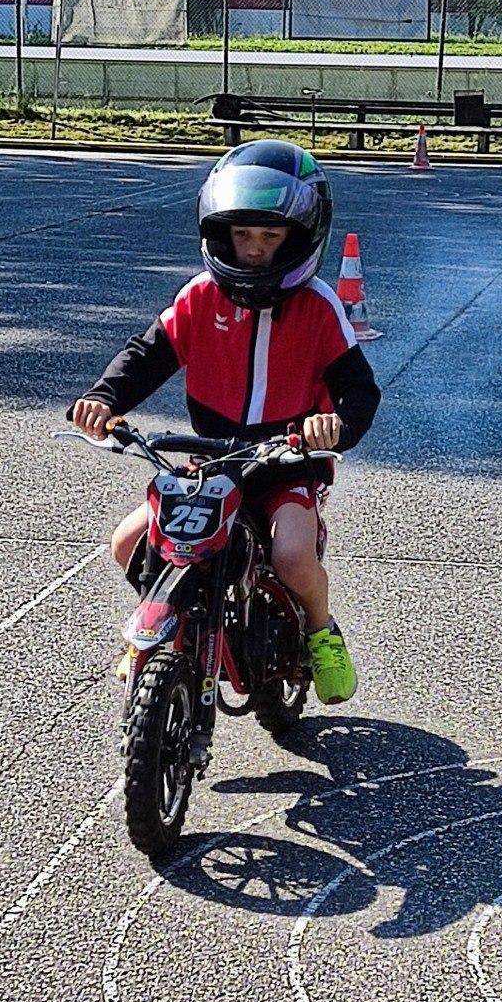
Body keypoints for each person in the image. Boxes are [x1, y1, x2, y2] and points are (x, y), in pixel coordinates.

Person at [69, 140, 381, 706]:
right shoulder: (199, 297)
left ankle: (319, 632)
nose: (256, 250)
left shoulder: (318, 305)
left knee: (290, 555)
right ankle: (166, 621)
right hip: (210, 461)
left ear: (301, 235)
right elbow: (146, 354)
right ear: (220, 232)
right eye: (243, 234)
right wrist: (103, 398)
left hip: (286, 464)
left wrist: (334, 426)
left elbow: (360, 390)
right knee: (129, 543)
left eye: (270, 236)